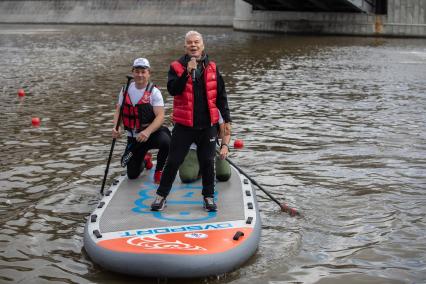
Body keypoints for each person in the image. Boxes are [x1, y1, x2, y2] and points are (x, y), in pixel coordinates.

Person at [151, 31, 231, 212]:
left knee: (207, 162)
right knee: (173, 161)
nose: (193, 45)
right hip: (184, 126)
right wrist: (187, 73)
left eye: (196, 42)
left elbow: (221, 97)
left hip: (207, 126)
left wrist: (226, 119)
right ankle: (161, 196)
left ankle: (208, 197)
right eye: (189, 43)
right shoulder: (176, 66)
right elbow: (173, 90)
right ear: (185, 47)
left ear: (202, 45)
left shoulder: (212, 67)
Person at [112, 57, 170, 183]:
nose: (140, 75)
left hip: (152, 134)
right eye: (137, 71)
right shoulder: (125, 89)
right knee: (132, 175)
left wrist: (147, 132)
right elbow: (118, 110)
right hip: (134, 138)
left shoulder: (154, 92)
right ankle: (146, 159)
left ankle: (159, 170)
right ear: (133, 72)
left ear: (149, 73)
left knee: (166, 142)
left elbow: (160, 116)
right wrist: (116, 127)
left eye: (143, 72)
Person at [179, 113, 231, 183]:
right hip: (192, 148)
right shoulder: (186, 106)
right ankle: (200, 168)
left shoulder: (218, 107)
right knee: (187, 177)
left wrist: (224, 147)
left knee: (224, 175)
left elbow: (226, 133)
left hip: (212, 146)